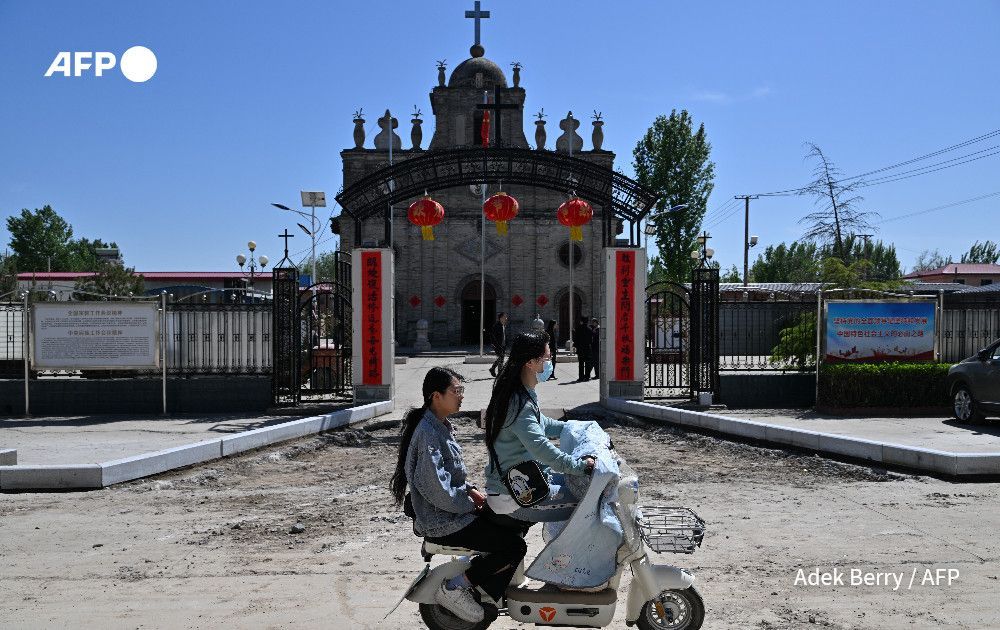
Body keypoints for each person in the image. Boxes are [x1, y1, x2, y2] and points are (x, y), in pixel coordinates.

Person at [390, 366, 527, 623]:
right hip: (444, 520)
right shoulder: (428, 433)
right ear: (436, 396)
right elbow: (438, 490)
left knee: (516, 523)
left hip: (453, 511)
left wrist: (473, 493)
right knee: (514, 546)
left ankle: (484, 584)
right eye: (456, 391)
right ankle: (455, 588)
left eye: (461, 390)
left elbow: (453, 479)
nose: (461, 396)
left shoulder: (440, 426)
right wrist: (470, 506)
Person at [483, 331, 595, 523]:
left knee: (581, 490)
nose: (550, 364)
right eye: (547, 358)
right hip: (513, 495)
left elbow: (543, 423)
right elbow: (541, 448)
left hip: (525, 480)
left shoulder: (521, 393)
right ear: (530, 362)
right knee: (590, 502)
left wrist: (572, 427)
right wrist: (580, 467)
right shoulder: (519, 403)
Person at [573, 315, 592, 381]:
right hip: (587, 348)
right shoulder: (589, 329)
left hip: (580, 348)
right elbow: (591, 340)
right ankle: (587, 377)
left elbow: (575, 339)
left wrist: (575, 346)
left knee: (581, 364)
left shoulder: (578, 328)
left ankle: (581, 377)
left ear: (581, 321)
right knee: (587, 363)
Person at [489, 312, 508, 377]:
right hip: (498, 345)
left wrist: (505, 344)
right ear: (501, 318)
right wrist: (496, 345)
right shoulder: (496, 326)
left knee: (501, 358)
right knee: (501, 358)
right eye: (505, 317)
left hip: (503, 345)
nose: (506, 318)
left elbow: (504, 336)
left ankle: (493, 369)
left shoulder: (503, 325)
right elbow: (492, 336)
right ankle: (499, 372)